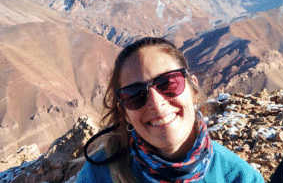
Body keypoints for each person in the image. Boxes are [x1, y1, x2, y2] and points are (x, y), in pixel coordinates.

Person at [76, 37, 264, 182]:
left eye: (168, 83)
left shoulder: (239, 178)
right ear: (125, 112)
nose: (156, 103)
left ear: (193, 89)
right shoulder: (98, 175)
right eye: (134, 94)